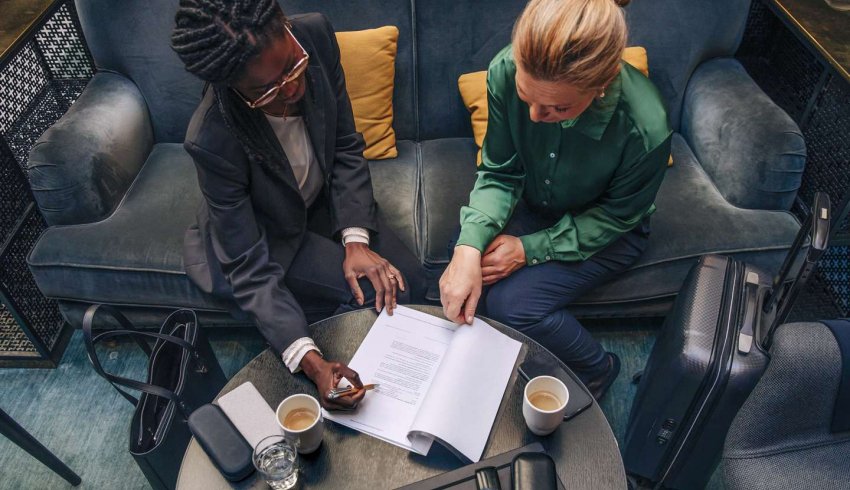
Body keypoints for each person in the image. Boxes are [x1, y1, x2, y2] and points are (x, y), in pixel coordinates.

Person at [170, 0, 425, 409]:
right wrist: (312, 363)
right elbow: (249, 267)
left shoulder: (315, 37)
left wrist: (355, 241)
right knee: (367, 299)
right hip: (267, 234)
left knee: (409, 284)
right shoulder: (212, 139)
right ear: (232, 87)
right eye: (265, 90)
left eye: (293, 66)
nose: (291, 89)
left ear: (288, 27)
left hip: (322, 202)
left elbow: (343, 145)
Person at [440, 0, 671, 400]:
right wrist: (467, 247)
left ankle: (597, 369)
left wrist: (528, 250)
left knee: (514, 304)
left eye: (557, 108)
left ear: (603, 82)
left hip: (610, 228)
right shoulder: (505, 68)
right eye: (526, 97)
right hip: (536, 206)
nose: (532, 117)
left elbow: (619, 216)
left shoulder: (646, 126)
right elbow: (500, 172)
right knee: (464, 266)